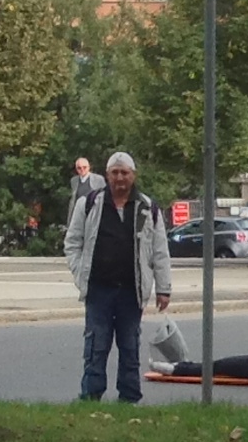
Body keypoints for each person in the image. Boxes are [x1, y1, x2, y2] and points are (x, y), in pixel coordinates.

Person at [64, 151, 173, 403]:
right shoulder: (89, 204)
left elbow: (160, 251)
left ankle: (129, 398)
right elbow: (72, 243)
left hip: (131, 291)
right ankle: (91, 396)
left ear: (133, 176)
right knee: (96, 346)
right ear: (107, 176)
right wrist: (80, 274)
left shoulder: (148, 208)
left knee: (129, 346)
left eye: (125, 172)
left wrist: (163, 288)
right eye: (115, 172)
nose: (120, 178)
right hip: (98, 290)